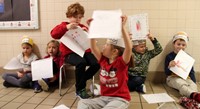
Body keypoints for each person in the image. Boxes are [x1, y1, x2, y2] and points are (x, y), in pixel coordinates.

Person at [77, 15, 132, 109]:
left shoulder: (121, 62)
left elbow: (129, 47)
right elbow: (93, 48)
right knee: (82, 103)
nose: (103, 46)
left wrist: (122, 27)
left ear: (114, 52)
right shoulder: (103, 60)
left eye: (106, 45)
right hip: (103, 98)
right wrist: (91, 29)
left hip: (120, 99)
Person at [50, 2, 100, 99]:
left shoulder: (82, 26)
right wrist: (66, 27)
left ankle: (81, 80)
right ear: (69, 16)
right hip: (70, 53)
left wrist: (88, 32)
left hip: (84, 51)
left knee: (97, 63)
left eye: (80, 17)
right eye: (75, 17)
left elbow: (91, 40)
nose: (77, 19)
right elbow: (53, 34)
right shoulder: (63, 25)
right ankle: (80, 89)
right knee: (81, 63)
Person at [164, 31, 200, 103]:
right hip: (172, 78)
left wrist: (194, 82)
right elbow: (166, 73)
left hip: (186, 78)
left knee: (192, 85)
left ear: (186, 46)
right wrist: (169, 66)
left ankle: (193, 97)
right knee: (181, 84)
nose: (180, 46)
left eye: (183, 45)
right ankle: (194, 96)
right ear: (174, 44)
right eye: (178, 44)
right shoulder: (169, 56)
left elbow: (191, 71)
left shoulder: (187, 57)